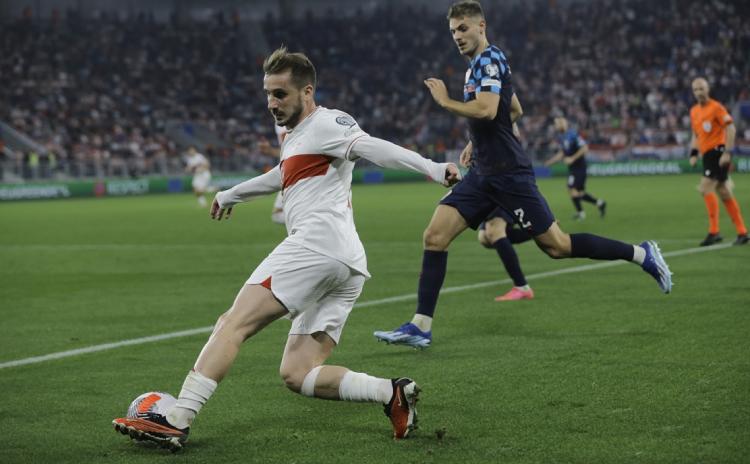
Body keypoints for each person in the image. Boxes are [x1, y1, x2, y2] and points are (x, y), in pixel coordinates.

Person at [112, 47, 461, 450]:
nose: (272, 103)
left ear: (307, 92)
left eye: (280, 94)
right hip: (346, 263)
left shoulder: (328, 122)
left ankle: (177, 418)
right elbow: (279, 176)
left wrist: (433, 168)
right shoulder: (298, 139)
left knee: (232, 324)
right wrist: (229, 195)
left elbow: (372, 147)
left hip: (315, 246)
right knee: (298, 372)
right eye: (268, 94)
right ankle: (391, 393)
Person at [373, 0, 672, 349]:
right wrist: (475, 142)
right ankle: (420, 325)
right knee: (435, 236)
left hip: (509, 175)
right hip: (483, 173)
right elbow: (514, 109)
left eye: (463, 28)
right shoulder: (475, 67)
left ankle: (641, 253)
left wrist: (446, 102)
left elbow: (487, 110)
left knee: (558, 246)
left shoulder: (489, 60)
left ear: (481, 26)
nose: (457, 36)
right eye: (453, 31)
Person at [688, 77, 748, 246]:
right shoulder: (694, 111)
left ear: (708, 89)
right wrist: (693, 153)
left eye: (701, 88)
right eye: (695, 89)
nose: (699, 92)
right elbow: (696, 134)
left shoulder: (716, 107)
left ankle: (714, 232)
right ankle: (742, 232)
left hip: (718, 152)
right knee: (723, 191)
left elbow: (731, 128)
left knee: (705, 187)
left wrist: (728, 152)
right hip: (707, 154)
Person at [544, 117, 606, 220]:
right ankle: (600, 203)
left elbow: (585, 148)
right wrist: (551, 161)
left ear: (562, 124)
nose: (555, 126)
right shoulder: (561, 137)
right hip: (573, 168)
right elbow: (562, 153)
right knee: (579, 192)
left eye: (556, 124)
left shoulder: (572, 135)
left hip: (579, 167)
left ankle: (581, 213)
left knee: (571, 189)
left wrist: (572, 158)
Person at [477, 207, 535, 301]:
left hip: (501, 197)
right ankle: (540, 231)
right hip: (488, 198)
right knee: (484, 238)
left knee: (494, 231)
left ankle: (522, 287)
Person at [258, 124, 288, 224]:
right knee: (278, 214)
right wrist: (270, 150)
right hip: (291, 171)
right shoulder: (279, 123)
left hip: (298, 173)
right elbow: (289, 153)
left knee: (278, 214)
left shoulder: (285, 123)